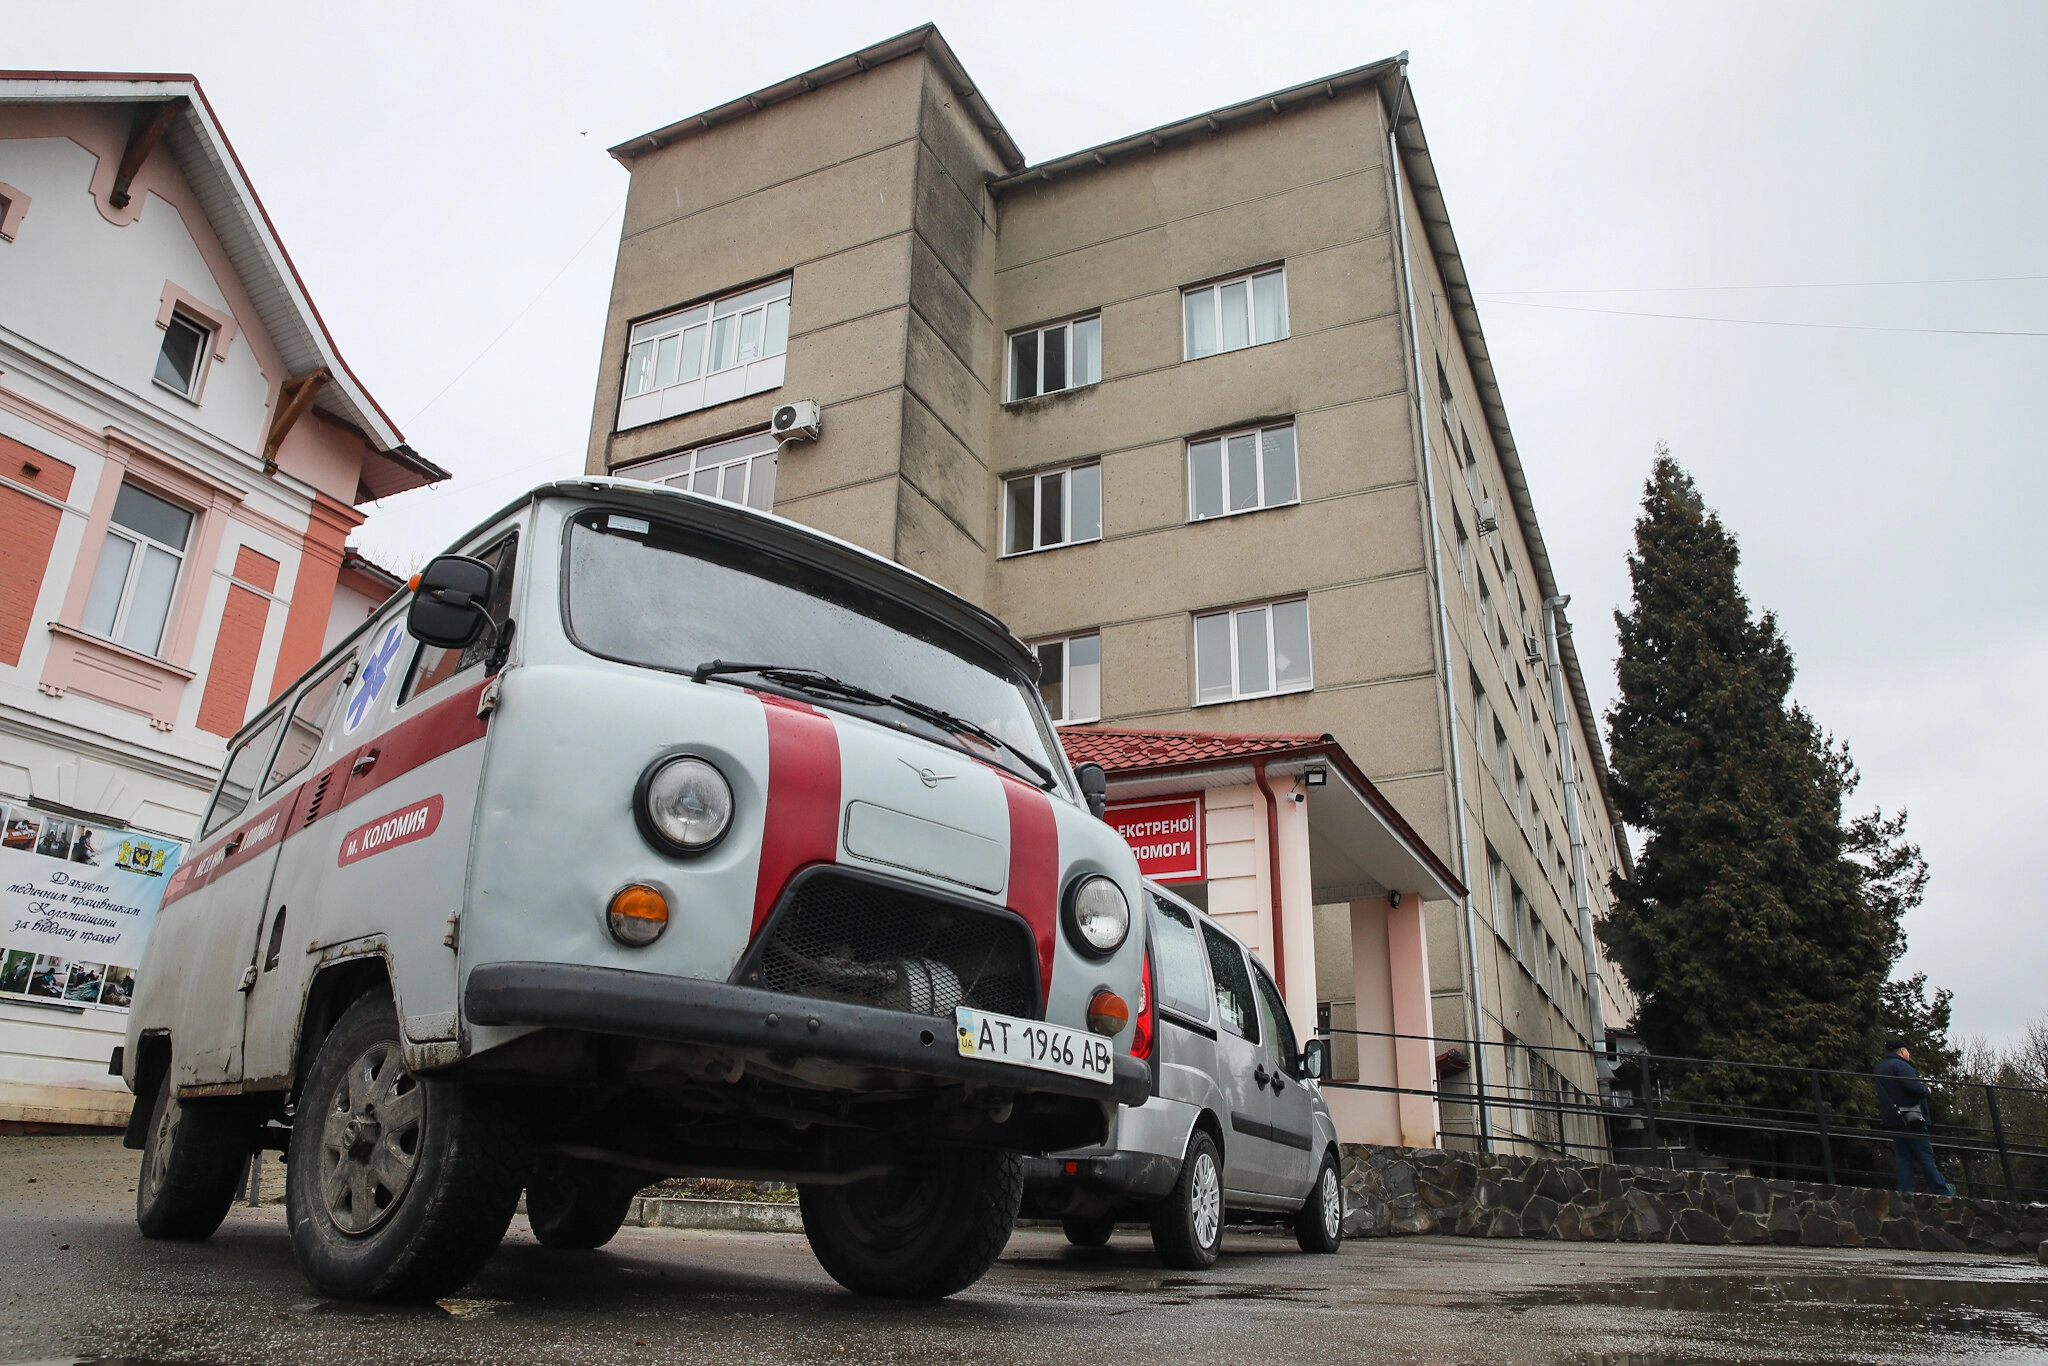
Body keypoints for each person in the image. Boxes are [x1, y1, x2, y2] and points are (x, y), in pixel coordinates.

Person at [1876, 1038, 1951, 1196]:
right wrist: (1926, 1091)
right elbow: (1912, 1087)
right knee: (1925, 1156)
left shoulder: (1880, 1067)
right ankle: (1941, 1191)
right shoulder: (1901, 1065)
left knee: (1903, 1156)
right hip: (1911, 1118)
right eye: (1907, 1051)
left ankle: (1905, 1191)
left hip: (1894, 1119)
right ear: (1902, 1051)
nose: (1909, 1054)